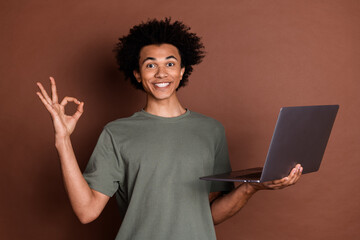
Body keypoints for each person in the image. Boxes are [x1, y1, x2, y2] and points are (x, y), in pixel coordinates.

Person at [36, 18, 302, 240]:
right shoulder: (116, 134)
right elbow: (86, 212)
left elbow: (205, 214)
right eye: (150, 64)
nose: (161, 73)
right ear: (138, 74)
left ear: (182, 70)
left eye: (170, 63)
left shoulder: (211, 131)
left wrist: (250, 187)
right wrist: (63, 141)